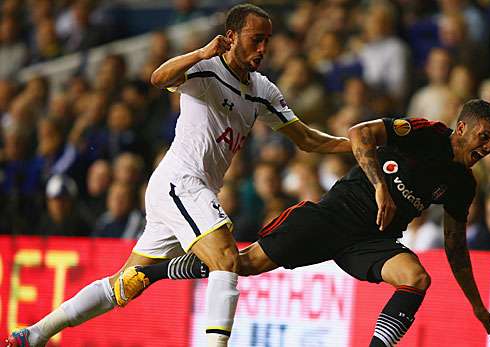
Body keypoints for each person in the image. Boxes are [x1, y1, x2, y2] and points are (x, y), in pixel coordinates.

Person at [6, 4, 350, 347]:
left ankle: (35, 333)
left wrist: (356, 145)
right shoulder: (207, 69)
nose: (263, 49)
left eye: (267, 41)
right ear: (230, 38)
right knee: (227, 259)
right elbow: (158, 78)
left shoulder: (263, 90)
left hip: (188, 190)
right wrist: (202, 51)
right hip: (181, 181)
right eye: (255, 40)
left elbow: (306, 138)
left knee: (126, 283)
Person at [101, 99, 490, 346]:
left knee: (417, 277)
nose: (487, 148)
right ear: (463, 127)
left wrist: (477, 306)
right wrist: (380, 185)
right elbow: (360, 134)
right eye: (483, 137)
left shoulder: (462, 184)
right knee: (240, 265)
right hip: (332, 217)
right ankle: (152, 274)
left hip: (371, 241)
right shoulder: (425, 132)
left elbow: (455, 247)